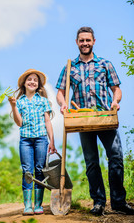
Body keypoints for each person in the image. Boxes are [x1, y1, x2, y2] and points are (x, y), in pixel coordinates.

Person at [56, 27, 134, 215]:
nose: (85, 43)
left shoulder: (105, 64)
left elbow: (116, 89)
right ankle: (98, 202)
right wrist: (63, 105)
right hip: (82, 119)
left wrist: (115, 101)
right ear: (77, 42)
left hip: (105, 117)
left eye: (88, 40)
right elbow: (60, 92)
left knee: (115, 158)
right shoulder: (69, 67)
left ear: (94, 41)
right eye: (81, 40)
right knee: (91, 162)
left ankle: (118, 202)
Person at [9, 69, 56, 215]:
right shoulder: (20, 101)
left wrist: (52, 141)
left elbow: (48, 121)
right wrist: (13, 106)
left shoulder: (43, 101)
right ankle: (28, 205)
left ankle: (38, 205)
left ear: (38, 85)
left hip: (41, 139)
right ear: (24, 83)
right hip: (26, 140)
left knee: (40, 169)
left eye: (35, 80)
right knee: (27, 171)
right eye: (29, 79)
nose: (32, 82)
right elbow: (19, 122)